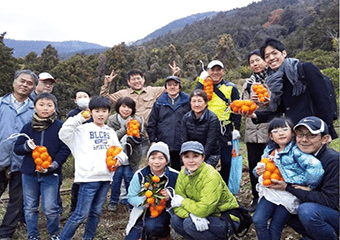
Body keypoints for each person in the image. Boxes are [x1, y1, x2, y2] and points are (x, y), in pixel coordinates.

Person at [58, 96, 128, 240]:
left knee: (96, 212)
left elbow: (119, 150)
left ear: (109, 112)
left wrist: (120, 159)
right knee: (80, 214)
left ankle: (88, 237)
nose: (101, 114)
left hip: (105, 177)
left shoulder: (110, 131)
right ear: (90, 112)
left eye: (104, 111)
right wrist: (79, 117)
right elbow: (63, 133)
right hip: (88, 178)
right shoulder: (81, 130)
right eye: (97, 111)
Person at [250, 38, 337, 139]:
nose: (271, 58)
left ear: (284, 53)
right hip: (295, 132)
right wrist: (254, 115)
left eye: (274, 53)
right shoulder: (275, 82)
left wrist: (327, 130)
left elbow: (323, 100)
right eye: (267, 56)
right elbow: (279, 111)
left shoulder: (305, 69)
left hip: (313, 130)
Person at [252, 117, 324, 240]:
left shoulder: (296, 151)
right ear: (270, 136)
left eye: (285, 129)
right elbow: (260, 167)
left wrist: (308, 185)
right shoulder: (269, 150)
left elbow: (315, 167)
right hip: (270, 192)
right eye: (275, 131)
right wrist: (257, 172)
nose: (280, 133)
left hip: (287, 195)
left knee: (276, 226)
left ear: (292, 133)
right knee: (258, 220)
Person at [269, 116, 339, 240]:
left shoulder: (332, 160)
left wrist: (288, 188)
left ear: (325, 139)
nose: (304, 140)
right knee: (279, 207)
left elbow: (329, 201)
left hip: (333, 211)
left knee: (307, 211)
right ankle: (312, 236)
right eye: (300, 135)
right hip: (316, 205)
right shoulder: (296, 156)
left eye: (311, 135)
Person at [14, 93, 71, 240]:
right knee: (30, 208)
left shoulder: (60, 126)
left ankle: (54, 233)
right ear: (35, 107)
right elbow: (17, 148)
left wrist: (55, 164)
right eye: (41, 105)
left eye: (49, 105)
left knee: (51, 208)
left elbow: (65, 149)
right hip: (29, 174)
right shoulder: (27, 127)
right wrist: (27, 146)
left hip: (50, 175)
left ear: (54, 108)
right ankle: (32, 235)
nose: (45, 108)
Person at [100, 63, 180, 157]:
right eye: (133, 79)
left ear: (143, 80)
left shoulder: (152, 91)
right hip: (133, 135)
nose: (136, 81)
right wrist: (107, 83)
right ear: (128, 82)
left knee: (157, 159)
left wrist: (175, 75)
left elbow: (170, 89)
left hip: (152, 134)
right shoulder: (123, 93)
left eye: (139, 78)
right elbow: (104, 98)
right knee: (134, 160)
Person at [170, 141, 240, 240]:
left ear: (203, 157)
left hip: (225, 217)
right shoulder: (182, 174)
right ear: (182, 158)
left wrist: (183, 202)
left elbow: (203, 209)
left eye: (195, 156)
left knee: (189, 224)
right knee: (176, 221)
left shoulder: (211, 175)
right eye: (186, 157)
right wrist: (191, 215)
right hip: (199, 213)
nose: (191, 160)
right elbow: (176, 205)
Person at [0, 69, 37, 239]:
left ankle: (5, 233)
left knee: (17, 201)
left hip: (21, 161)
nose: (25, 85)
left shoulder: (34, 110)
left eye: (30, 83)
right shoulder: (1, 104)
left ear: (34, 88)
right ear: (14, 82)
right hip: (1, 157)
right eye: (22, 81)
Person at [196, 60, 241, 184]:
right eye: (212, 70)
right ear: (208, 71)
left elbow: (236, 108)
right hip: (206, 128)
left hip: (224, 128)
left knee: (227, 160)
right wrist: (201, 81)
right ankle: (207, 186)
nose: (215, 72)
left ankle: (224, 186)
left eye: (218, 69)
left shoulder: (231, 87)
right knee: (206, 159)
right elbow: (194, 98)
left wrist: (236, 128)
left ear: (223, 71)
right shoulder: (203, 86)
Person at [125, 142, 179, 240]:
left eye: (160, 158)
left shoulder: (175, 175)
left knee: (153, 226)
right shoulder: (140, 175)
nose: (156, 162)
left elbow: (182, 197)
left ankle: (164, 234)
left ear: (166, 160)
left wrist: (170, 197)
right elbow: (131, 196)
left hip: (163, 212)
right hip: (143, 212)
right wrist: (142, 202)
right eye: (153, 158)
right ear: (148, 160)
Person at [240, 49, 269, 212]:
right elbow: (243, 105)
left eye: (258, 60)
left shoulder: (274, 78)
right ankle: (256, 197)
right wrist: (249, 103)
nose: (255, 64)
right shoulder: (248, 84)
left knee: (271, 165)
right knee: (253, 165)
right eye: (252, 62)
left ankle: (271, 199)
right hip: (252, 131)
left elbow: (280, 104)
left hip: (269, 129)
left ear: (264, 61)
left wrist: (267, 99)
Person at [107, 97, 143, 212]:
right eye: (123, 107)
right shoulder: (112, 120)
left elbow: (141, 137)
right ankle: (113, 201)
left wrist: (134, 138)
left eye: (129, 107)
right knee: (116, 179)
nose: (126, 110)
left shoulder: (137, 120)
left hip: (131, 155)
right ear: (118, 107)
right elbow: (112, 138)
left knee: (130, 179)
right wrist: (124, 128)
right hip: (116, 155)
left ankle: (131, 202)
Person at [147, 76, 190, 171]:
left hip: (182, 142)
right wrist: (153, 140)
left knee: (181, 171)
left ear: (179, 87)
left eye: (175, 85)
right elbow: (152, 123)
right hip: (164, 142)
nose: (172, 87)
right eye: (169, 85)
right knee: (164, 170)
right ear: (165, 88)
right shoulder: (159, 103)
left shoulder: (187, 102)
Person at [66, 89, 93, 216]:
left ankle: (90, 206)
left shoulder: (94, 112)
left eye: (85, 96)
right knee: (79, 179)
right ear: (75, 101)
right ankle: (74, 206)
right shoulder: (72, 114)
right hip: (79, 149)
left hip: (93, 148)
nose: (83, 98)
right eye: (80, 97)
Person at [181, 89, 220, 167]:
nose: (196, 104)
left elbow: (211, 142)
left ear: (205, 103)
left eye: (199, 101)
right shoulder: (186, 118)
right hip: (191, 154)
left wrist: (200, 158)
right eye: (194, 101)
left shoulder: (212, 118)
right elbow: (184, 140)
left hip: (210, 155)